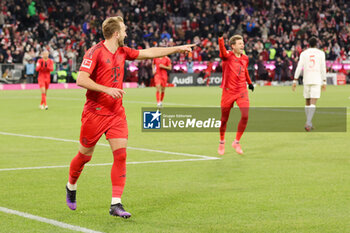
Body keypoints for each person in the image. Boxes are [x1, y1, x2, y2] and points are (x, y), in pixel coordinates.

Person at [65, 16, 195, 219]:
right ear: (116, 33)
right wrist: (106, 89)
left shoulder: (123, 51)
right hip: (95, 113)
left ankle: (115, 204)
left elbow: (149, 53)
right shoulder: (95, 52)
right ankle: (71, 185)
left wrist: (177, 48)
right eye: (124, 30)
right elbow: (81, 79)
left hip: (116, 113)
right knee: (84, 156)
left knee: (121, 155)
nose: (126, 33)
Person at [217, 34, 254, 155]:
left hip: (241, 91)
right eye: (239, 43)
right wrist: (220, 39)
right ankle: (222, 142)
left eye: (243, 43)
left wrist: (249, 82)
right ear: (233, 46)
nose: (242, 45)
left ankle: (236, 142)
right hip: (228, 91)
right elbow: (222, 52)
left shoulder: (245, 58)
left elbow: (245, 70)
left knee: (245, 115)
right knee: (224, 119)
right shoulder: (227, 56)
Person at [292, 36, 326, 131]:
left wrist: (295, 80)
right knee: (313, 102)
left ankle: (309, 122)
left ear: (308, 44)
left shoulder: (304, 53)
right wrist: (324, 81)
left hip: (306, 79)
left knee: (307, 101)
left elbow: (299, 67)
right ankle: (308, 122)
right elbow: (323, 68)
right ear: (317, 44)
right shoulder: (321, 53)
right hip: (316, 79)